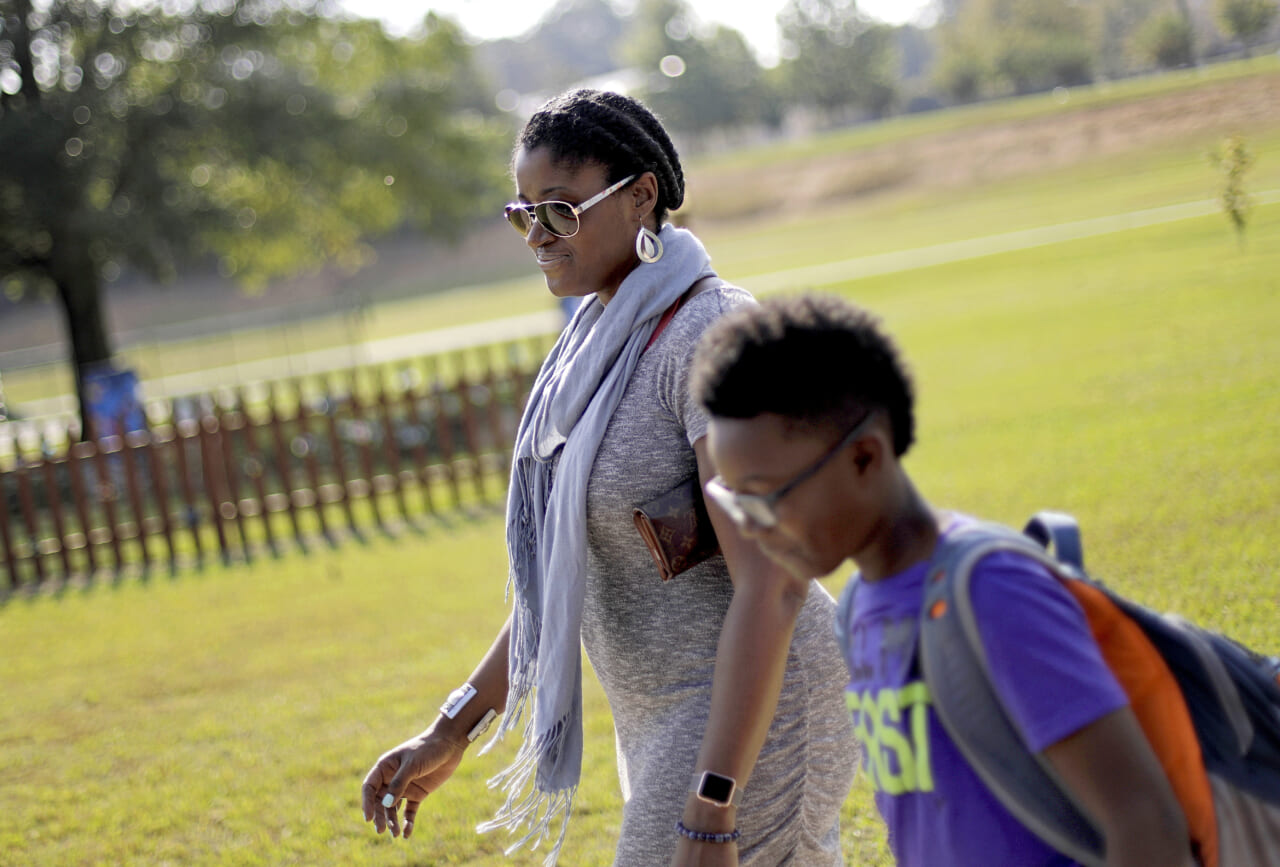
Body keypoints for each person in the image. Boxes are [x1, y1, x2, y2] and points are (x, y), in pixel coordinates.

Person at [359, 90, 857, 867]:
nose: (538, 237)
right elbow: (560, 575)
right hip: (667, 719)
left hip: (757, 712)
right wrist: (451, 726)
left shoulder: (712, 333)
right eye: (523, 214)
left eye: (559, 210)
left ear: (641, 196)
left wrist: (713, 798)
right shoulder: (593, 347)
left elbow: (776, 583)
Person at [689, 293, 1200, 867]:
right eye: (734, 503)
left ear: (864, 458)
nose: (752, 531)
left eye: (766, 500)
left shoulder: (990, 590)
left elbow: (1145, 821)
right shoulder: (860, 606)